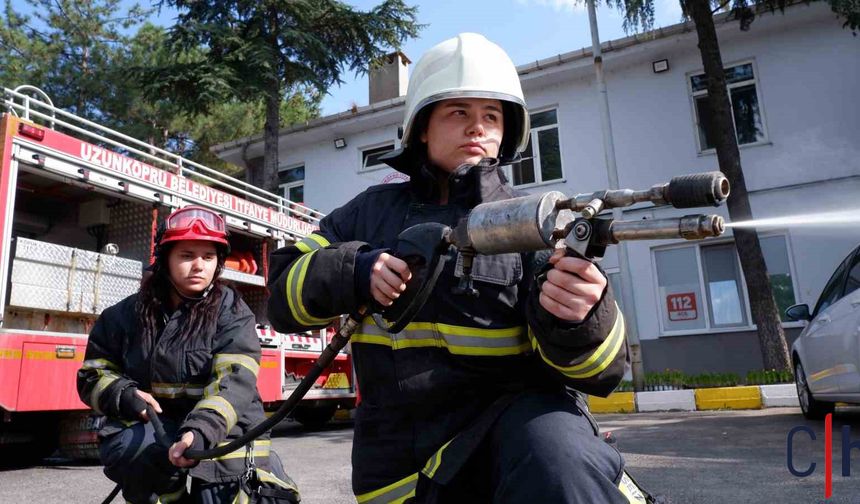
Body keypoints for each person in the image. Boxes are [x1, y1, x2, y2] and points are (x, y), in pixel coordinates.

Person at [267, 33, 650, 503]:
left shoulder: (538, 225)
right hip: (404, 476)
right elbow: (281, 293)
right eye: (458, 112)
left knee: (563, 455)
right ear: (422, 127)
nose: (478, 128)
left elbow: (601, 373)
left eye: (491, 115)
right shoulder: (368, 214)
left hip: (515, 450)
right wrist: (355, 271)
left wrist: (581, 319)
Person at [78, 206, 298, 504]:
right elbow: (93, 373)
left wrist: (200, 431)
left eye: (208, 257)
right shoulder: (125, 315)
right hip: (159, 430)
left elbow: (233, 383)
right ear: (165, 258)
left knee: (225, 496)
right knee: (132, 452)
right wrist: (123, 394)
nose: (199, 266)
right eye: (187, 255)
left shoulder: (232, 312)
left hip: (223, 429)